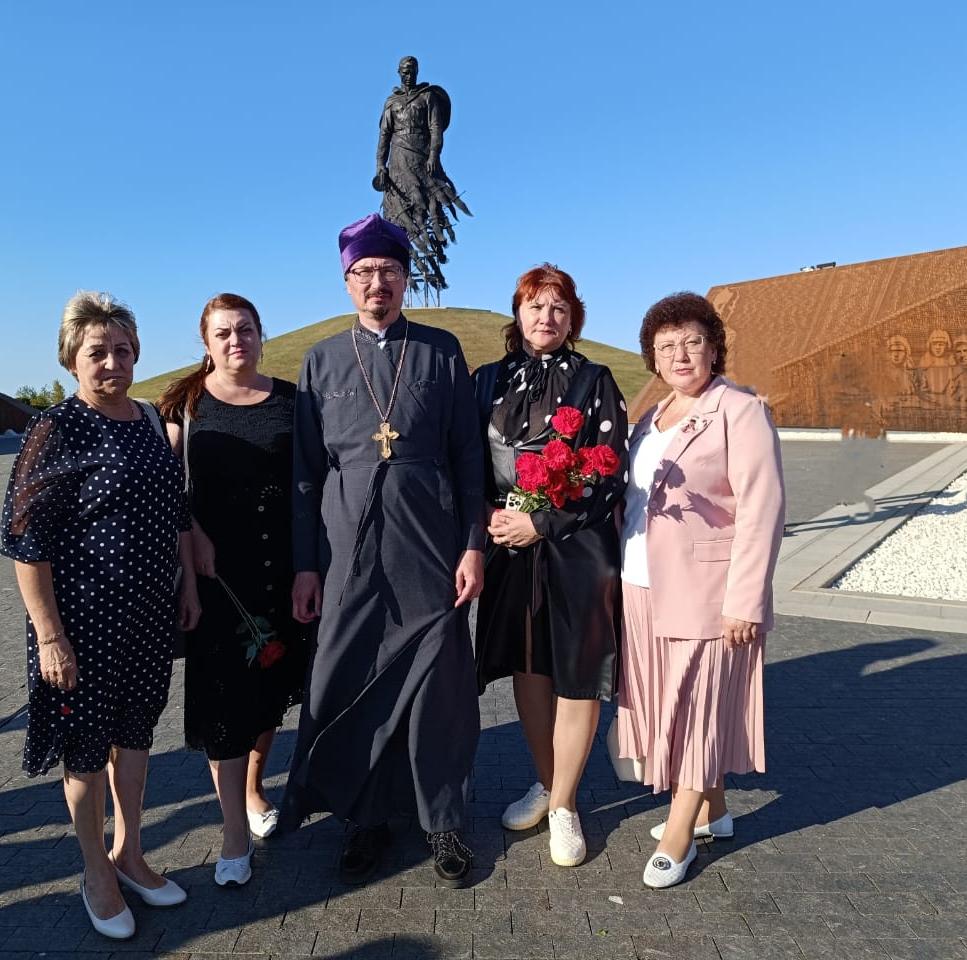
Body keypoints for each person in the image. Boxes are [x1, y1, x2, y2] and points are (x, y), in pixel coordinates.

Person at [282, 213, 485, 887]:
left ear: (406, 279)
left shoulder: (440, 350)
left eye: (391, 271)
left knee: (439, 683)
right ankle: (363, 816)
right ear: (347, 282)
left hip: (431, 544)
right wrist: (306, 565)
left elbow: (468, 456)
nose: (378, 283)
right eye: (365, 272)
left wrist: (473, 547)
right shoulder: (321, 360)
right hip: (348, 548)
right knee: (352, 674)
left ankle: (442, 818)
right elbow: (305, 471)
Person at [0, 291, 198, 939]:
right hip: (81, 623)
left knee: (136, 736)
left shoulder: (149, 419)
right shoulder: (55, 428)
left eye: (122, 349)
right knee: (85, 750)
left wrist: (187, 587)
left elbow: (175, 511)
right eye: (97, 352)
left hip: (147, 616)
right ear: (71, 360)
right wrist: (49, 636)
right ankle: (96, 873)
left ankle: (130, 853)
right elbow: (25, 542)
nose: (112, 362)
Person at [615, 292, 785, 889]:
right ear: (653, 357)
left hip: (708, 589)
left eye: (692, 342)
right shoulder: (653, 415)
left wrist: (746, 600)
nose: (680, 355)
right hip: (640, 584)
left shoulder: (739, 411)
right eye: (666, 346)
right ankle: (714, 809)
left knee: (694, 707)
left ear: (714, 348)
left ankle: (680, 833)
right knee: (668, 703)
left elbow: (763, 508)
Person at [471, 264, 628, 868]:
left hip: (577, 547)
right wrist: (489, 517)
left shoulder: (594, 380)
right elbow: (468, 464)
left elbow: (609, 471)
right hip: (509, 549)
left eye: (559, 307)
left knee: (577, 673)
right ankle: (545, 780)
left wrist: (542, 523)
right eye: (536, 306)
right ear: (518, 313)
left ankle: (564, 804)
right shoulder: (486, 380)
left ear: (573, 318)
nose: (547, 317)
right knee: (529, 666)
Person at [157, 293, 308, 888]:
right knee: (224, 700)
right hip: (217, 575)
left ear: (261, 335)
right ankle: (232, 831)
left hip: (279, 569)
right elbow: (164, 486)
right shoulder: (184, 404)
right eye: (222, 333)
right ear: (206, 342)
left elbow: (311, 480)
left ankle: (253, 787)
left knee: (268, 687)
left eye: (245, 329)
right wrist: (190, 533)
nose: (235, 340)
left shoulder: (292, 399)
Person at [373, 56, 471, 292]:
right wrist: (380, 165)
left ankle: (434, 253)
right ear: (399, 72)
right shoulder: (392, 102)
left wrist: (434, 155)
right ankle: (405, 268)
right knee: (399, 218)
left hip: (422, 159)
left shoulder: (427, 97)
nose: (408, 75)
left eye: (412, 71)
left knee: (427, 207)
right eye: (405, 71)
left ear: (417, 72)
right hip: (398, 163)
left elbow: (436, 129)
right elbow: (384, 136)